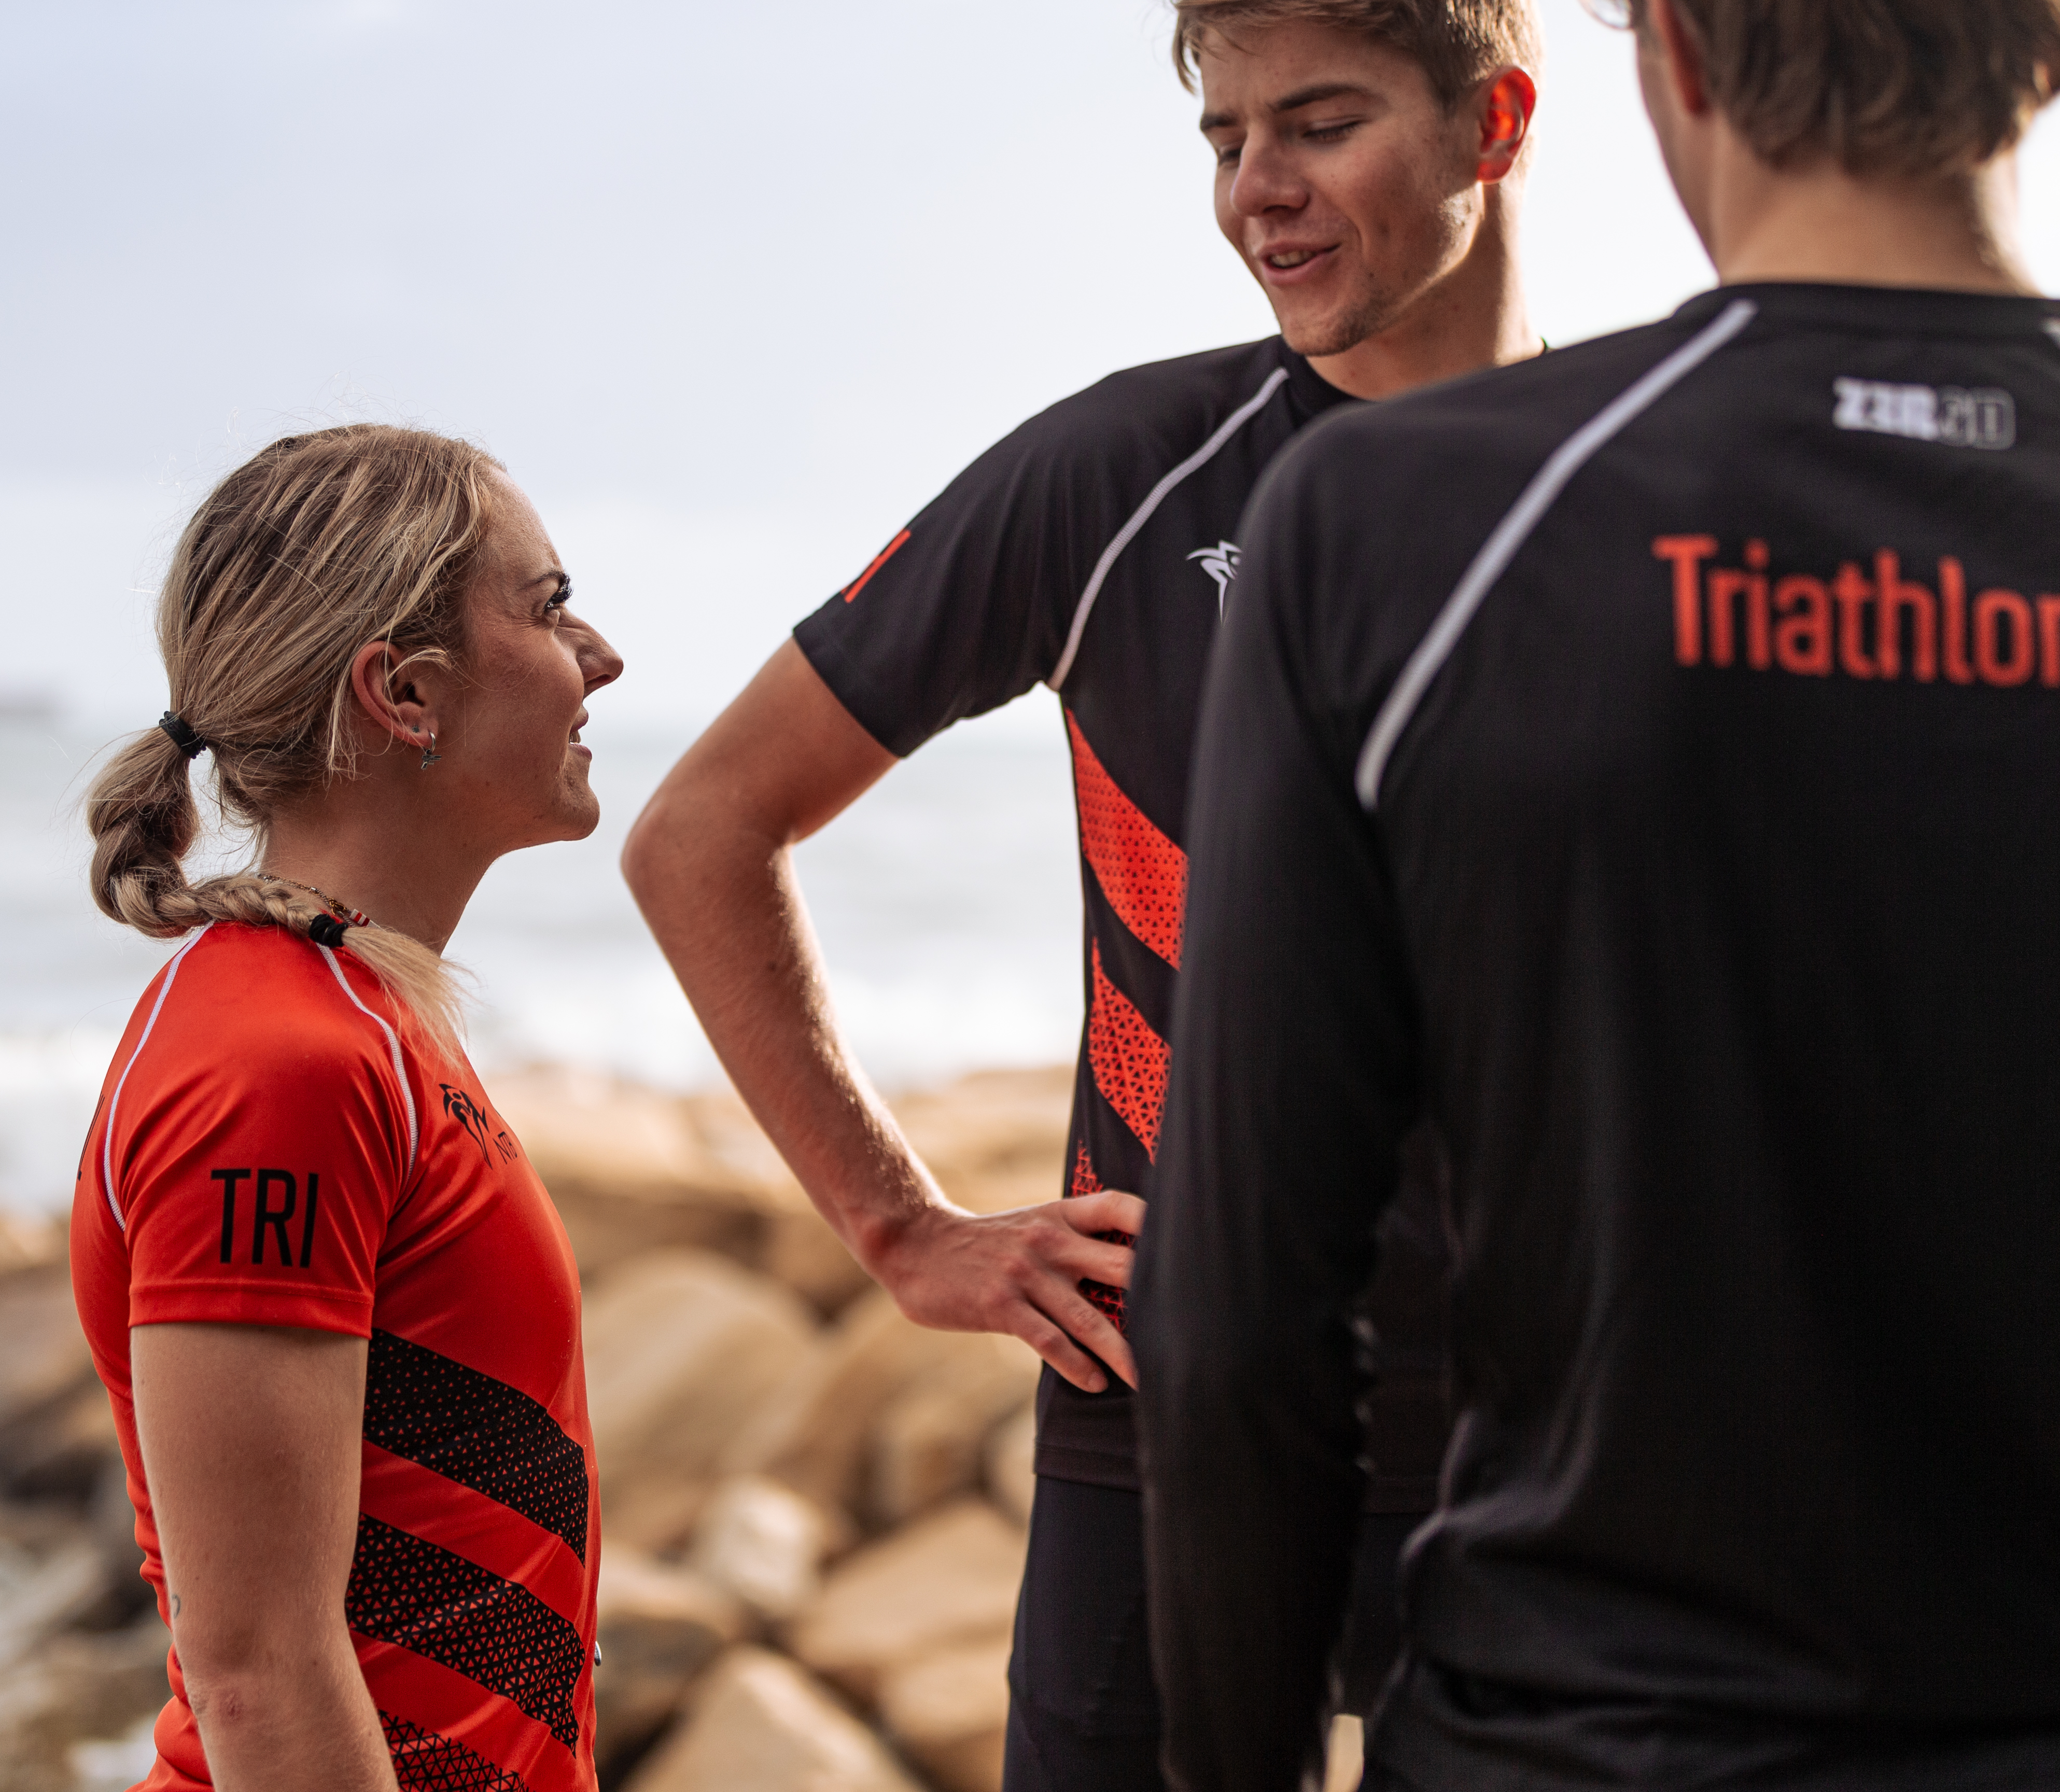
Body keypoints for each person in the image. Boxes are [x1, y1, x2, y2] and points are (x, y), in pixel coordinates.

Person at [1137, 0, 2060, 1786]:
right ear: (2038, 53)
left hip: (1572, 1751)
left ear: (1672, 50)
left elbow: (1242, 1323)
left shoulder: (1396, 527)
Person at [621, 3, 1539, 1784]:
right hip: (1170, 1411)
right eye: (1223, 138)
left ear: (1492, 123)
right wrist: (903, 1231)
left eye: (1321, 125)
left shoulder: (1646, 484)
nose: (1256, 193)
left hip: (1555, 1438)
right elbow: (704, 831)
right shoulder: (1121, 477)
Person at [72, 424, 623, 1792]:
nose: (602, 656)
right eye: (551, 608)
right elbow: (259, 1678)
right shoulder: (282, 1062)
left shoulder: (361, 1019)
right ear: (404, 692)